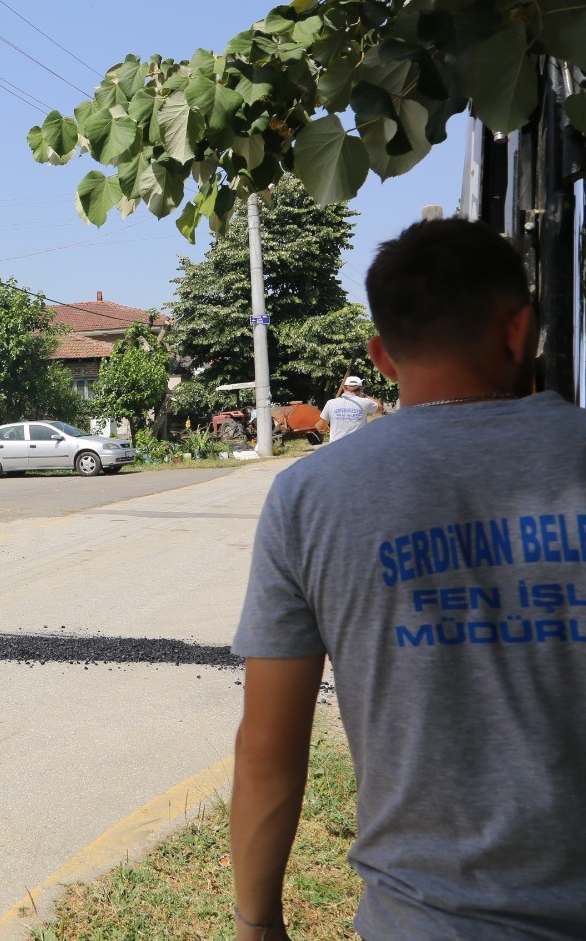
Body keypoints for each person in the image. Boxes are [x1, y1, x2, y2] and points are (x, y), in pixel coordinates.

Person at [229, 218, 586, 940]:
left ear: (382, 357)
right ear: (520, 332)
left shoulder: (311, 498)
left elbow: (268, 752)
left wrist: (257, 921)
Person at [315, 375, 382, 442]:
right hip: (358, 447)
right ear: (361, 389)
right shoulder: (365, 402)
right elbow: (381, 409)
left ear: (344, 388)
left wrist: (319, 427)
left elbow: (321, 426)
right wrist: (364, 395)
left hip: (336, 448)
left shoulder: (331, 403)